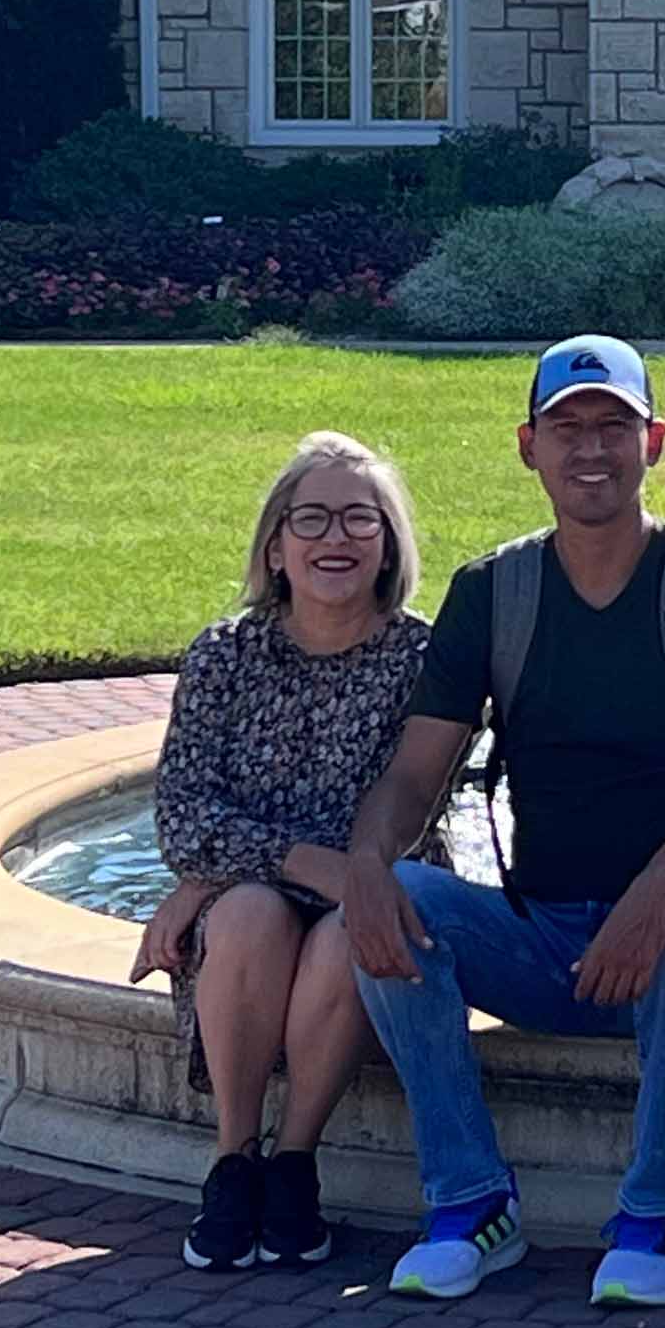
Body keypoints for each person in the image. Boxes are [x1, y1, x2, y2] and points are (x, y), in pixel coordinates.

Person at [339, 334, 665, 1309]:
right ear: (527, 446)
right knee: (396, 898)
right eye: (567, 427)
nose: (591, 449)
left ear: (654, 441)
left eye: (613, 426)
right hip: (548, 943)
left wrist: (653, 896)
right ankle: (470, 1203)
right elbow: (417, 773)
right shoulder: (494, 592)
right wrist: (366, 859)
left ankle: (658, 1215)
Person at [129, 432, 431, 1276]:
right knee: (256, 916)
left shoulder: (423, 658)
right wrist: (293, 863)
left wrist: (208, 879)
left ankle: (294, 1160)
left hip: (367, 893)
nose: (335, 539)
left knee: (349, 929)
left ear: (388, 543)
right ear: (276, 543)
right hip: (256, 899)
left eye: (359, 520)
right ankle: (235, 1160)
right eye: (312, 519)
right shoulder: (224, 654)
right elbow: (181, 816)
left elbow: (417, 806)